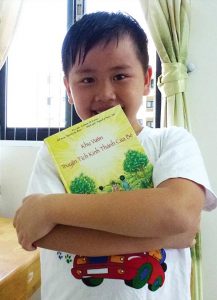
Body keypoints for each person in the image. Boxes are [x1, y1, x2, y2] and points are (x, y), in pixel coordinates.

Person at [14, 12, 217, 300]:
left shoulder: (172, 141)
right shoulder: (53, 153)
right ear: (68, 89)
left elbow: (178, 213)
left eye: (120, 76)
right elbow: (42, 234)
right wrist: (167, 237)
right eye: (87, 79)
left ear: (147, 80)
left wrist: (50, 208)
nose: (105, 93)